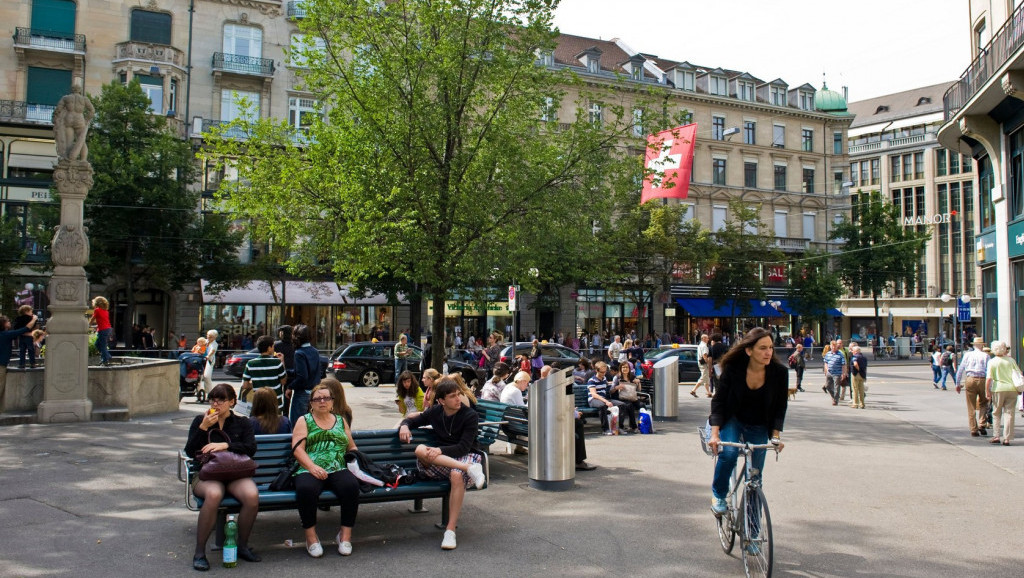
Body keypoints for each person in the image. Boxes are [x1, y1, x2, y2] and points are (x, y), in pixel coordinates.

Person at [708, 327, 788, 517]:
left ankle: (753, 536)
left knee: (755, 478)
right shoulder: (733, 370)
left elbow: (780, 407)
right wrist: (715, 434)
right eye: (762, 348)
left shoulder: (779, 373)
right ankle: (719, 495)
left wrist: (775, 436)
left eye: (770, 347)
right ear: (749, 350)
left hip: (759, 423)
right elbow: (718, 401)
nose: (768, 352)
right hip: (733, 419)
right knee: (729, 453)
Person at [399, 377, 486, 550]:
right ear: (441, 401)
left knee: (456, 474)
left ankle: (450, 531)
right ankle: (469, 469)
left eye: (459, 394)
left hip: (465, 455)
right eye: (453, 396)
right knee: (419, 450)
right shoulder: (435, 412)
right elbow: (413, 419)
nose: (458, 399)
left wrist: (440, 450)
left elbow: (463, 447)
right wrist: (404, 426)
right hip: (444, 462)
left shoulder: (470, 415)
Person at [184, 383, 260, 570]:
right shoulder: (200, 421)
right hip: (207, 475)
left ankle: (242, 545)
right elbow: (190, 451)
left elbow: (251, 448)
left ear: (232, 402)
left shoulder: (242, 423)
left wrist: (226, 445)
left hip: (234, 474)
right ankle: (200, 552)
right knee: (214, 495)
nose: (216, 404)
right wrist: (203, 428)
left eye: (221, 400)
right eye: (213, 399)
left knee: (251, 496)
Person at [291, 383, 361, 557]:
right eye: (317, 398)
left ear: (332, 401)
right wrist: (312, 467)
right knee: (306, 489)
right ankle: (311, 538)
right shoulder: (304, 420)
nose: (322, 401)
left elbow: (351, 446)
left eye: (326, 398)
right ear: (311, 402)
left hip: (337, 466)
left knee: (351, 486)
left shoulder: (340, 420)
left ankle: (345, 536)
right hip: (310, 467)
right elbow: (297, 448)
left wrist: (356, 462)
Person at [985, 340, 1021, 446]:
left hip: (998, 388)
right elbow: (1018, 374)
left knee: (996, 412)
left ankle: (996, 436)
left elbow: (989, 379)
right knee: (1009, 414)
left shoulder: (992, 362)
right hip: (1012, 389)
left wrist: (987, 391)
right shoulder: (1011, 360)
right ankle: (1007, 438)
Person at [955, 336, 991, 437]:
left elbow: (961, 369)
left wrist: (957, 384)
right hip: (983, 379)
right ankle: (982, 423)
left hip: (970, 378)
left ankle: (973, 428)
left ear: (974, 345)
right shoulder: (986, 356)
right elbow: (989, 371)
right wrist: (990, 387)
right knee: (984, 402)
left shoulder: (968, 355)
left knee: (971, 405)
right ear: (982, 345)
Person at [241, 336, 287, 409]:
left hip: (259, 403)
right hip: (275, 403)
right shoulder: (277, 362)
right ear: (269, 348)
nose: (274, 348)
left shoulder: (250, 363)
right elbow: (283, 381)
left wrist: (257, 384)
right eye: (273, 346)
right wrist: (282, 361)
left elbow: (245, 385)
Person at [288, 324, 321, 425]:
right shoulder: (315, 351)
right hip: (314, 392)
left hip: (302, 394)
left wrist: (290, 386)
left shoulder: (299, 353)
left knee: (297, 425)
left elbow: (302, 377)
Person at [587, 361, 628, 435]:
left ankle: (620, 427)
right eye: (602, 372)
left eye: (605, 372)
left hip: (604, 399)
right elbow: (594, 394)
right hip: (594, 400)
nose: (603, 374)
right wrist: (606, 401)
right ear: (596, 370)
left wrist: (614, 384)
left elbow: (607, 384)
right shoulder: (592, 380)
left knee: (622, 405)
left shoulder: (604, 378)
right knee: (602, 406)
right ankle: (605, 429)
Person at [609, 363, 642, 433]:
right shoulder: (617, 377)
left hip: (632, 397)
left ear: (629, 369)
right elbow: (611, 391)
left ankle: (643, 424)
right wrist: (617, 387)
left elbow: (639, 390)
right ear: (620, 368)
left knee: (642, 406)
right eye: (623, 367)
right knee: (629, 405)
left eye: (626, 367)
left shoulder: (632, 377)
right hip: (620, 398)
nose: (625, 369)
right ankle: (633, 427)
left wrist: (638, 383)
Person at [90, 296, 113, 366]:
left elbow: (92, 319)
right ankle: (107, 356)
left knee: (102, 346)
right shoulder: (106, 311)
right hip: (108, 329)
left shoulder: (97, 310)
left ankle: (105, 360)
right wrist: (97, 326)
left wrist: (88, 325)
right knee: (98, 344)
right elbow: (103, 321)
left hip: (103, 330)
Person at [822, 341, 846, 406]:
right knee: (827, 386)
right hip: (829, 373)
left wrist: (843, 373)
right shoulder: (828, 354)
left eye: (834, 346)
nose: (833, 347)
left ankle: (835, 400)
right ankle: (834, 396)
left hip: (837, 373)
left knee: (836, 387)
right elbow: (826, 362)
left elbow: (843, 365)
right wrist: (826, 370)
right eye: (832, 346)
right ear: (830, 346)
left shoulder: (840, 354)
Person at [12, 304, 36, 369]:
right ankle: (32, 363)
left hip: (21, 336)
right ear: (26, 311)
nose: (32, 313)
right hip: (29, 336)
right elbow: (33, 326)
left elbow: (16, 327)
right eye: (31, 311)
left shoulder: (18, 319)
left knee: (22, 350)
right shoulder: (31, 319)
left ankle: (21, 364)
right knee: (31, 350)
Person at [690, 333, 712, 398]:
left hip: (701, 363)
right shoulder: (704, 346)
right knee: (703, 377)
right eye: (707, 338)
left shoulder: (700, 345)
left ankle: (708, 392)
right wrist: (708, 363)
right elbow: (705, 356)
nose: (708, 339)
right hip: (704, 364)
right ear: (703, 339)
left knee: (706, 378)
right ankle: (693, 390)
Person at [201, 330, 219, 398]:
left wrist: (208, 356)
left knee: (207, 376)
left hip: (209, 361)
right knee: (198, 376)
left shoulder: (214, 344)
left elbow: (212, 351)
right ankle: (199, 391)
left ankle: (209, 393)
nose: (208, 337)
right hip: (200, 359)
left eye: (211, 337)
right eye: (208, 336)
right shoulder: (205, 341)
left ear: (215, 337)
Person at [848, 344, 868, 409]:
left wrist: (858, 369)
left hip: (855, 374)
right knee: (861, 390)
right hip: (862, 375)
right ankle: (862, 404)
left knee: (855, 389)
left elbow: (855, 364)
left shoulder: (854, 357)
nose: (852, 352)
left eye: (853, 351)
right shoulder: (864, 358)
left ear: (856, 351)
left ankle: (855, 403)